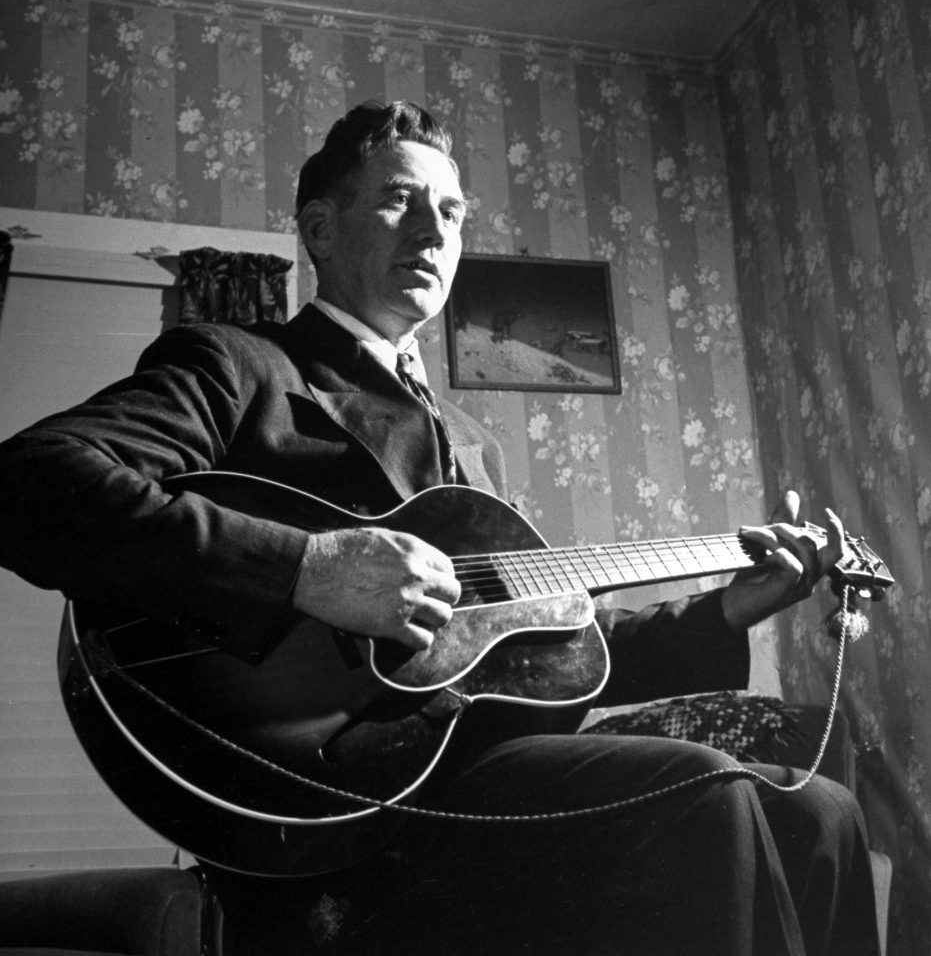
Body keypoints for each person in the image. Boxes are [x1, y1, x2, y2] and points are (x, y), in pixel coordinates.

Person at [0, 100, 879, 956]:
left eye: (451, 213)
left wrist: (729, 610)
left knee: (821, 813)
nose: (433, 232)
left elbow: (547, 646)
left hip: (470, 764)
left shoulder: (468, 441)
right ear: (319, 230)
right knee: (699, 786)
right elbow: (31, 485)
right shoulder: (240, 366)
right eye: (397, 200)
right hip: (328, 791)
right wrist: (305, 568)